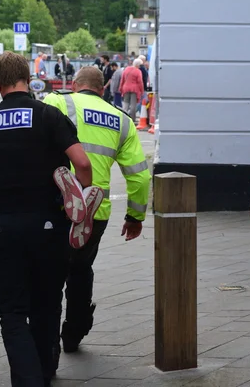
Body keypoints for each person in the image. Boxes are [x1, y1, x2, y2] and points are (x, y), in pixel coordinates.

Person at [0, 51, 95, 387]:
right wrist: (79, 192)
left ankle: (28, 378)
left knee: (10, 311)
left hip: (5, 225)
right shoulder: (49, 115)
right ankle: (46, 368)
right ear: (27, 77)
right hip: (49, 225)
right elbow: (81, 164)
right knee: (47, 303)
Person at [43, 67, 151, 361]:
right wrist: (135, 217)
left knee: (50, 273)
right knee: (80, 269)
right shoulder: (122, 120)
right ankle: (74, 332)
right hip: (96, 211)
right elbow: (140, 176)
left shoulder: (58, 102)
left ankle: (47, 342)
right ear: (103, 89)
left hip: (54, 204)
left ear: (76, 85)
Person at [120, 58, 144, 124]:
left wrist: (121, 88)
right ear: (138, 65)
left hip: (125, 88)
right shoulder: (138, 71)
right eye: (140, 65)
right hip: (134, 89)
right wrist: (142, 90)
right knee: (133, 105)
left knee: (125, 104)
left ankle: (123, 118)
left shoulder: (126, 69)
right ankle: (132, 119)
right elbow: (140, 82)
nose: (140, 66)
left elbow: (122, 79)